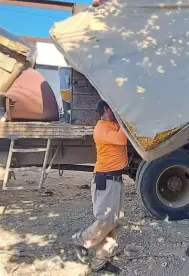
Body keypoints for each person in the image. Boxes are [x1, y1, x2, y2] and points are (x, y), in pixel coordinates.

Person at [73, 100, 128, 274]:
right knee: (105, 220)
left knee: (116, 222)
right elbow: (121, 138)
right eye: (114, 107)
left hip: (116, 180)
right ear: (106, 109)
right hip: (106, 180)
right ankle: (81, 240)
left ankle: (100, 261)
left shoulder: (111, 125)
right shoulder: (101, 128)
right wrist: (123, 119)